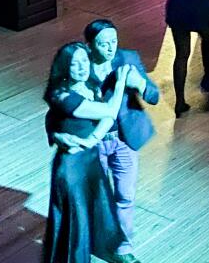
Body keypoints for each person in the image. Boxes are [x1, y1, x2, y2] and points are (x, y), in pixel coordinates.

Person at [41, 42, 138, 263]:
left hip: (90, 159)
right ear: (65, 67)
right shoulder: (62, 95)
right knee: (77, 219)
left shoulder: (91, 87)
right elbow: (110, 110)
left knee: (98, 211)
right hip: (72, 167)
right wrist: (121, 82)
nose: (82, 67)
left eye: (84, 61)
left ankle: (101, 252)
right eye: (74, 64)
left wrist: (91, 140)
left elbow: (106, 118)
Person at [77, 20, 159, 261]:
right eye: (104, 44)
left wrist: (141, 84)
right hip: (94, 143)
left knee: (126, 196)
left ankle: (123, 248)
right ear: (89, 45)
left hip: (124, 140)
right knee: (94, 196)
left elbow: (154, 96)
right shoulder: (79, 65)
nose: (111, 48)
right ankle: (91, 241)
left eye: (114, 41)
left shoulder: (128, 59)